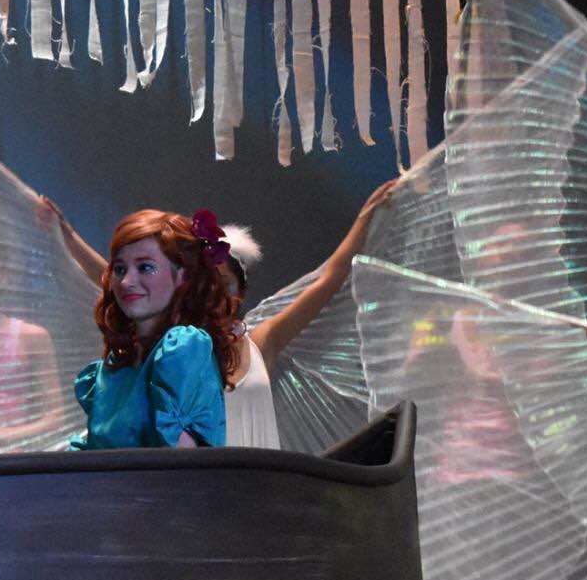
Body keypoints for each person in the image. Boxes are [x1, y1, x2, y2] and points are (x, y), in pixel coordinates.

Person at [45, 179, 399, 448]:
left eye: (224, 286)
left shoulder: (259, 343)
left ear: (239, 293)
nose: (215, 294)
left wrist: (364, 224)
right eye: (207, 284)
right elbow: (124, 283)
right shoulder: (176, 349)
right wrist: (69, 238)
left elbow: (326, 282)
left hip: (246, 479)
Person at [70, 210, 233, 450]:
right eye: (119, 269)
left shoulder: (183, 349)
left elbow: (181, 463)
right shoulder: (112, 368)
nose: (126, 282)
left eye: (145, 267)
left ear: (183, 276)